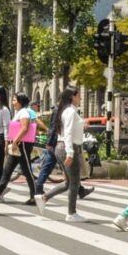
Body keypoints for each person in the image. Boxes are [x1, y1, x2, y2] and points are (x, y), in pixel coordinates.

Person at [36, 86, 87, 222]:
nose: (80, 97)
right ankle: (71, 213)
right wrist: (70, 153)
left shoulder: (66, 111)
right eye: (78, 95)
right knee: (74, 182)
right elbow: (68, 133)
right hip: (67, 147)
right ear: (72, 97)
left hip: (62, 147)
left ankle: (44, 197)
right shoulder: (70, 111)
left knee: (69, 182)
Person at [0, 92, 37, 205]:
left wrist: (16, 141)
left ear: (20, 101)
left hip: (22, 145)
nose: (12, 103)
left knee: (27, 172)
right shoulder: (19, 112)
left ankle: (35, 196)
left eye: (14, 100)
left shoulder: (24, 112)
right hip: (17, 145)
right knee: (7, 171)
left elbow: (25, 128)